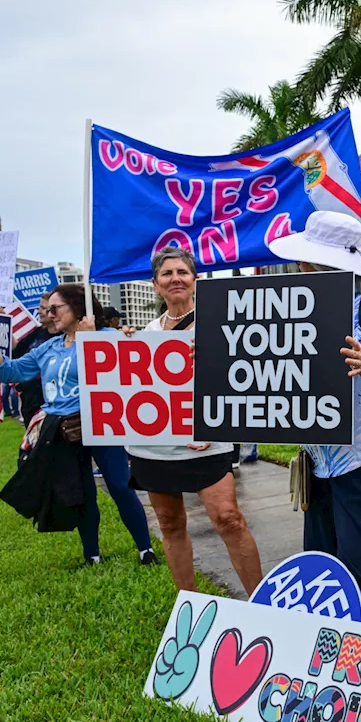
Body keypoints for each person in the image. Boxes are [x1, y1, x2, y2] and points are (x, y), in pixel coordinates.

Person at [268, 210, 361, 630]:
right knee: (325, 578)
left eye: (308, 261)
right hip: (320, 466)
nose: (301, 267)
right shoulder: (294, 310)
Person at [0, 284, 157, 566]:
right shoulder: (49, 346)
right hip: (64, 429)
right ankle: (92, 555)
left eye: (55, 309)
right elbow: (7, 371)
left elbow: (126, 372)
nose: (49, 316)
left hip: (101, 422)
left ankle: (145, 549)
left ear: (77, 308)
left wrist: (90, 344)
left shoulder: (107, 336)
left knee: (119, 485)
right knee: (83, 491)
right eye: (47, 310)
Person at [125, 247, 263, 594]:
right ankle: (188, 603)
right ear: (156, 285)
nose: (175, 279)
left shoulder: (220, 324)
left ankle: (262, 602)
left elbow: (244, 375)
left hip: (208, 441)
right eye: (167, 274)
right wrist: (121, 351)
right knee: (170, 523)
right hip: (156, 448)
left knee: (228, 518)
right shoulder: (144, 335)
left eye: (182, 272)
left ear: (195, 279)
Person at [12, 290, 59, 426]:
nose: (38, 312)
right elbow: (17, 352)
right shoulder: (37, 333)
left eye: (43, 308)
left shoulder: (66, 337)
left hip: (51, 396)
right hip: (31, 397)